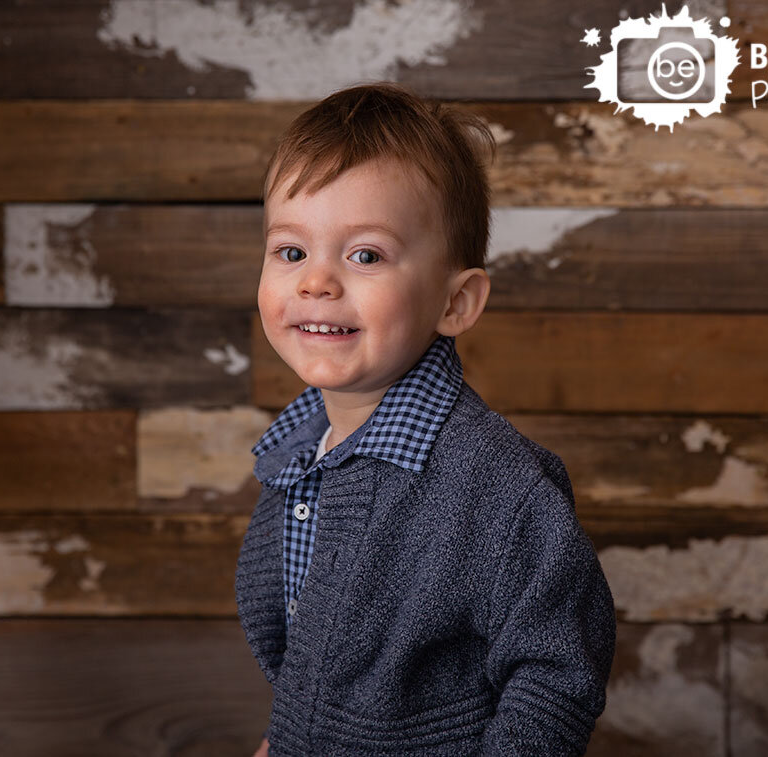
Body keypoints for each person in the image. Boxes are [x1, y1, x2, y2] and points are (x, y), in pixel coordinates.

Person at [236, 81, 615, 756]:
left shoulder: (495, 482)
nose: (316, 282)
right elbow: (319, 660)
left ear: (456, 301)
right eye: (291, 251)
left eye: (366, 255)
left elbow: (558, 673)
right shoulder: (297, 458)